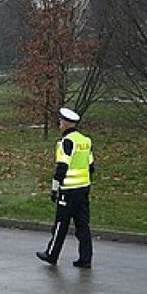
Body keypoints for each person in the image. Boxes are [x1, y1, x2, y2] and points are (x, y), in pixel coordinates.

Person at [37, 107, 95, 268]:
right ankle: (85, 258)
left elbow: (61, 168)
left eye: (61, 121)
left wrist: (54, 189)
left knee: (61, 224)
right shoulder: (85, 141)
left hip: (68, 191)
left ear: (65, 123)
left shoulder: (66, 142)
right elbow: (91, 166)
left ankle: (51, 254)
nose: (59, 123)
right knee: (83, 225)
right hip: (83, 189)